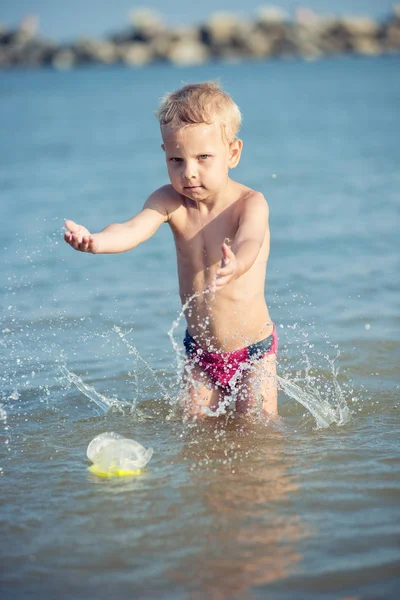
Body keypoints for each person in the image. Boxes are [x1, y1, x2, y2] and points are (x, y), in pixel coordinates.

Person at [64, 81, 278, 420]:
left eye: (203, 158)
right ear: (164, 153)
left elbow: (250, 240)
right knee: (193, 430)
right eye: (176, 159)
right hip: (200, 353)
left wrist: (237, 264)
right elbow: (131, 229)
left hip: (253, 352)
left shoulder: (249, 203)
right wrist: (96, 242)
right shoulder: (169, 201)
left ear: (233, 153)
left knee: (258, 430)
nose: (188, 172)